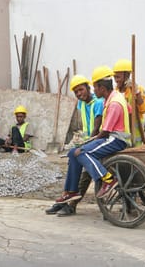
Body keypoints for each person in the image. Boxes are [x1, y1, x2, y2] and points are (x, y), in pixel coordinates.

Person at [49, 66, 131, 216]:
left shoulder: (113, 103)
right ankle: (71, 191)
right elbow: (130, 110)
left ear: (100, 86)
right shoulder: (114, 98)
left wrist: (86, 144)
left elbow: (104, 131)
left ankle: (108, 179)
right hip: (111, 137)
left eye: (95, 87)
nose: (94, 90)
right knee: (74, 153)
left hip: (116, 139)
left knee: (80, 153)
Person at [45, 74, 104, 216]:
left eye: (81, 90)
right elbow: (85, 124)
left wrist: (86, 143)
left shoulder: (98, 102)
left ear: (88, 88)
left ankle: (71, 205)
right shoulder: (81, 103)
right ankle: (64, 201)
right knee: (72, 165)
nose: (79, 94)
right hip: (89, 140)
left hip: (97, 141)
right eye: (76, 92)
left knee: (84, 173)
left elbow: (96, 126)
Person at [113, 59, 145, 147]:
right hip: (121, 130)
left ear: (127, 76)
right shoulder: (115, 92)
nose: (116, 80)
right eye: (115, 77)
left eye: (118, 77)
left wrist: (136, 92)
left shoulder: (138, 90)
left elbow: (143, 109)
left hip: (135, 130)